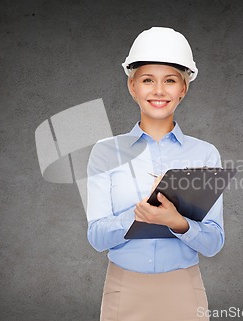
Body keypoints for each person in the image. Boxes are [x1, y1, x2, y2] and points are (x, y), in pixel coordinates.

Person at [86, 27, 224, 321]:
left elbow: (214, 242)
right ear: (132, 86)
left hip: (184, 290)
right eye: (148, 80)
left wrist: (179, 224)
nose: (159, 90)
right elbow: (97, 237)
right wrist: (137, 216)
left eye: (170, 80)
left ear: (183, 89)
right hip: (123, 290)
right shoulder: (105, 152)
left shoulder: (205, 154)